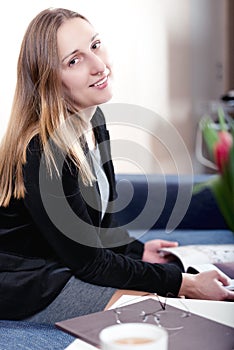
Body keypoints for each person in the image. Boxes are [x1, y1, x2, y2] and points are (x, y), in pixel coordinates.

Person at [0, 8, 233, 324]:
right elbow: (91, 264)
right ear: (49, 79)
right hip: (32, 284)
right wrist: (184, 284)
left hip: (67, 263)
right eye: (74, 60)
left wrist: (138, 251)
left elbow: (101, 223)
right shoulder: (44, 151)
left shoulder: (93, 117)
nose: (99, 66)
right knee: (166, 313)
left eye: (95, 45)